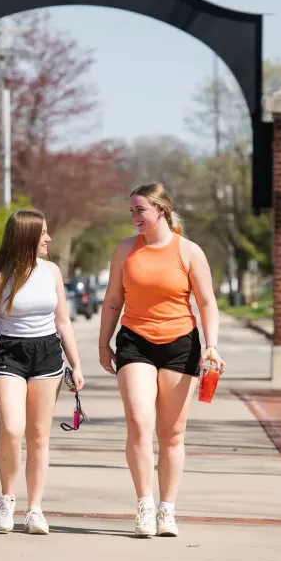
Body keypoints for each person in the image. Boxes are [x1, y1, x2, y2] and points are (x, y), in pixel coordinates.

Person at [98, 183, 226, 538]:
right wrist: (103, 344)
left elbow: (206, 303)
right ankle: (145, 505)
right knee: (139, 422)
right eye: (132, 212)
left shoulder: (188, 252)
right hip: (134, 341)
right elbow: (112, 300)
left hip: (180, 345)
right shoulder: (124, 250)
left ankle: (167, 510)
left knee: (172, 433)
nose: (135, 217)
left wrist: (211, 346)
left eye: (140, 210)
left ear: (161, 210)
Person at [0, 209, 85, 535]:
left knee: (38, 436)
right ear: (26, 237)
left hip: (48, 355)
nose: (49, 239)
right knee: (11, 428)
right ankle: (7, 499)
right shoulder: (0, 275)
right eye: (44, 233)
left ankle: (35, 508)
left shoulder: (51, 272)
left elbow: (63, 321)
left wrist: (75, 364)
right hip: (10, 354)